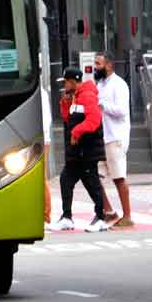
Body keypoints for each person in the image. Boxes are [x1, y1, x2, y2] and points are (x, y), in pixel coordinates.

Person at [50, 67, 109, 233]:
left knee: (91, 183)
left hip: (87, 149)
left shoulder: (87, 95)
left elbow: (94, 120)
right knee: (67, 180)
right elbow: (69, 119)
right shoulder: (75, 96)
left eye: (66, 83)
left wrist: (76, 132)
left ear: (72, 82)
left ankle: (100, 218)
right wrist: (65, 102)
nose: (64, 86)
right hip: (78, 151)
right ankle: (68, 217)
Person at [94, 52, 134, 227]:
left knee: (118, 177)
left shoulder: (119, 85)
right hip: (103, 137)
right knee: (94, 177)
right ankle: (109, 211)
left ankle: (127, 216)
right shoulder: (100, 84)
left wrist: (102, 104)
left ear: (109, 65)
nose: (95, 67)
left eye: (98, 63)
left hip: (116, 137)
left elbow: (122, 111)